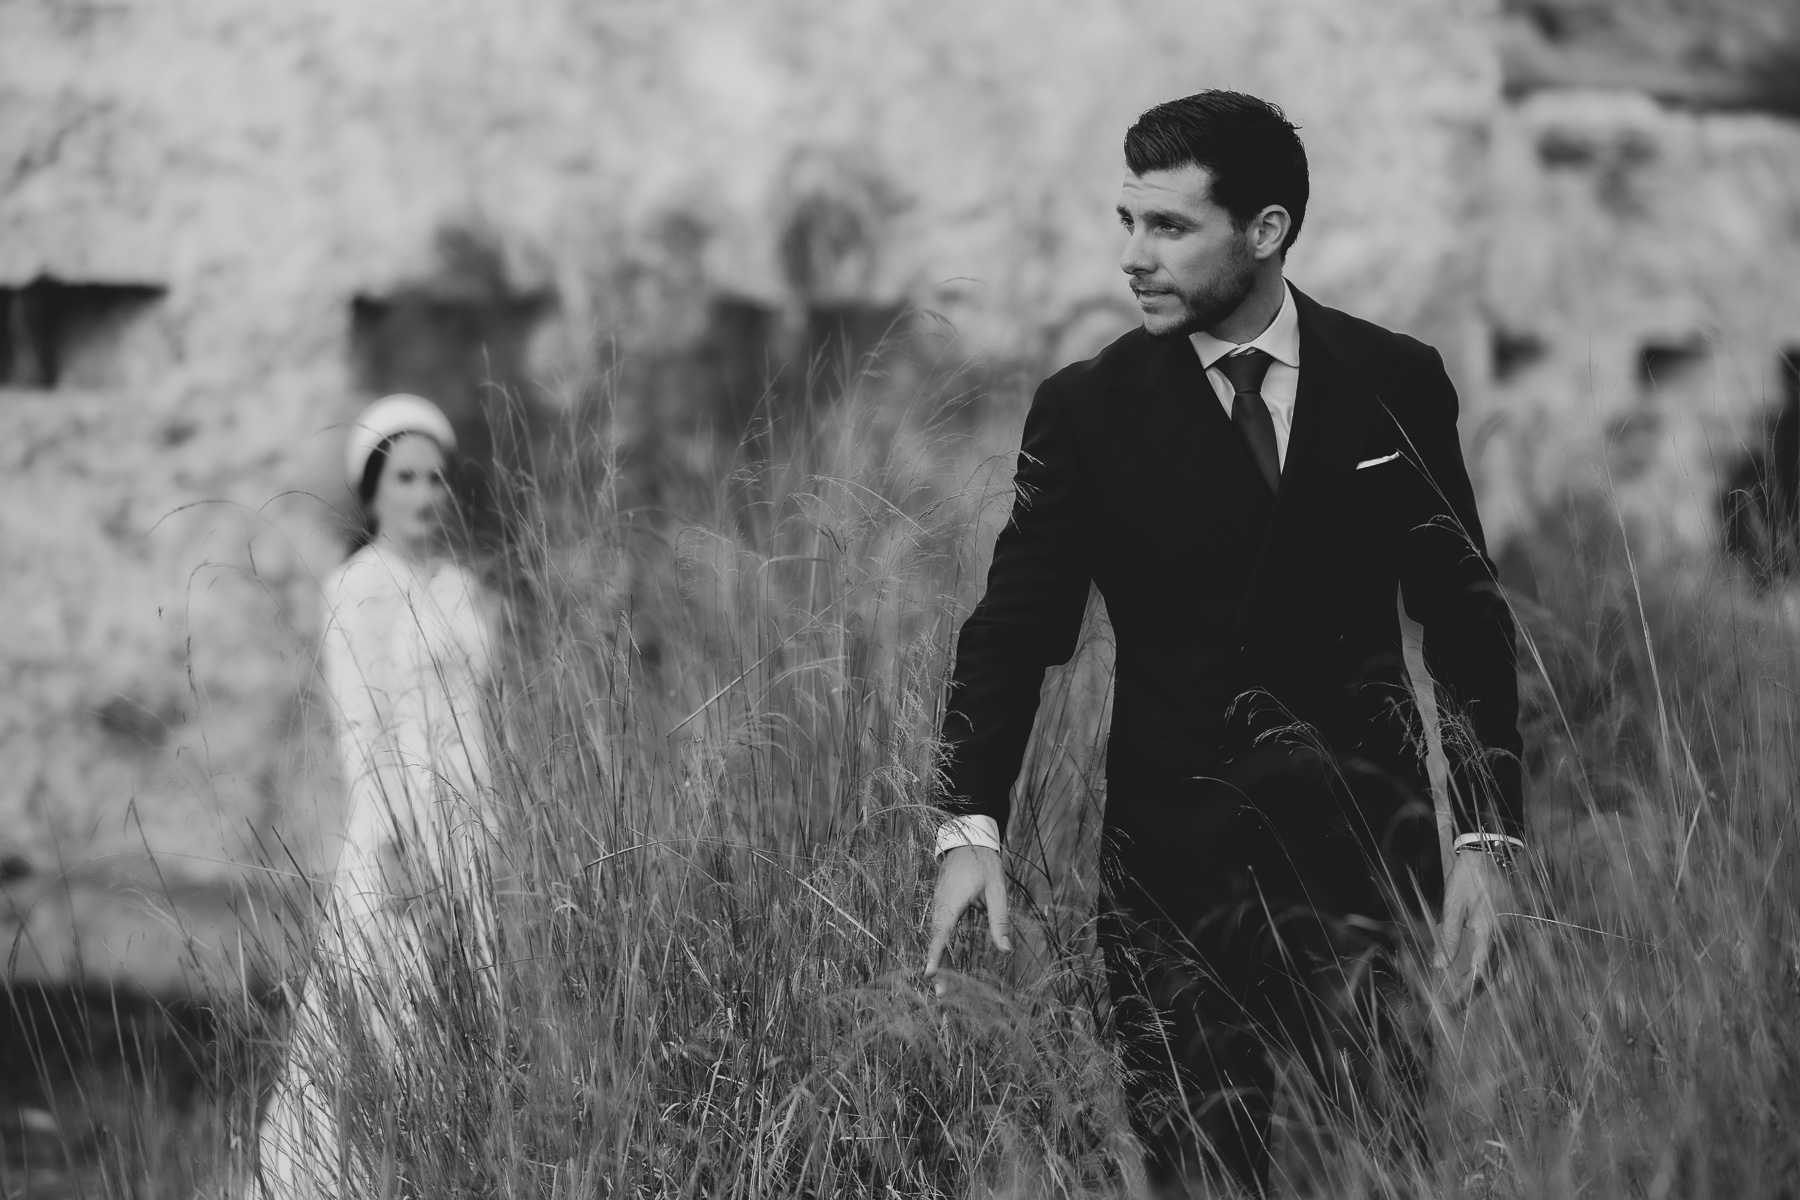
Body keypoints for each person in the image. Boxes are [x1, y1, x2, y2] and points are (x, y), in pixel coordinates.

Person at [921, 92, 1524, 1196]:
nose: (1131, 259)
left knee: (1382, 1169)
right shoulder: (1088, 410)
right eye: (1125, 223)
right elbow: (1014, 627)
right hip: (1174, 882)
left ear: (1266, 229)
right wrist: (971, 823)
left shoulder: (1393, 382)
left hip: (1366, 868)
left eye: (1167, 228)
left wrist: (1488, 841)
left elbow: (1466, 617)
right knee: (1200, 1177)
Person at [257, 394, 500, 1199]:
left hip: (475, 820)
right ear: (374, 489)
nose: (426, 494)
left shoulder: (464, 589)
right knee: (387, 1006)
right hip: (399, 830)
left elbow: (485, 715)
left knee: (474, 1009)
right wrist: (397, 845)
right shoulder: (360, 588)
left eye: (437, 477)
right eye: (406, 477)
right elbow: (363, 727)